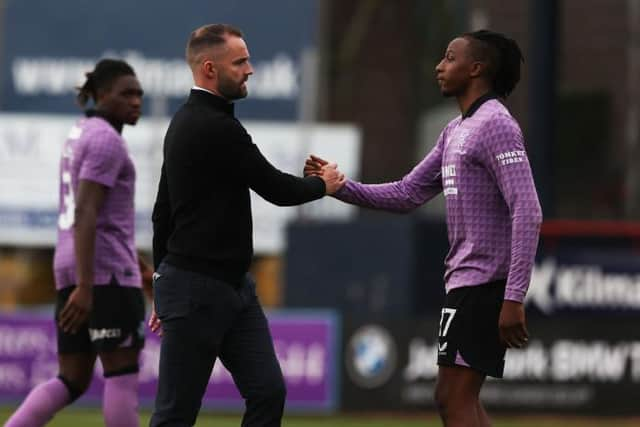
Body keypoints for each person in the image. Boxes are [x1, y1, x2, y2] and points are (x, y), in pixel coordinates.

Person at [305, 30, 542, 427]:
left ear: (476, 68)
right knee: (454, 398)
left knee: (453, 398)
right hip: (465, 283)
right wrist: (340, 187)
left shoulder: (496, 124)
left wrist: (513, 297)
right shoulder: (455, 130)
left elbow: (528, 209)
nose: (439, 65)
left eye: (450, 57)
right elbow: (407, 193)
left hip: (485, 284)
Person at [148, 24, 344, 427]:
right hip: (195, 289)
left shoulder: (192, 121)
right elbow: (275, 187)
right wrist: (322, 185)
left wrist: (158, 279)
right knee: (175, 415)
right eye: (239, 62)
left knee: (268, 392)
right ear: (208, 69)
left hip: (234, 288)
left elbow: (161, 212)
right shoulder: (213, 126)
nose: (250, 69)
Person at [4, 59, 151, 427]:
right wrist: (88, 287)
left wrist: (136, 263)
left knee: (72, 378)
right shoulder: (107, 140)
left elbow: (97, 217)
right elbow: (86, 211)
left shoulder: (81, 132)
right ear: (102, 96)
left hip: (73, 268)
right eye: (126, 94)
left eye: (139, 94)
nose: (136, 101)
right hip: (103, 277)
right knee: (122, 374)